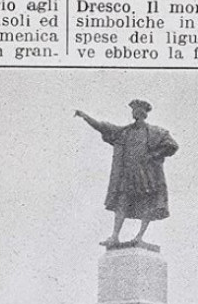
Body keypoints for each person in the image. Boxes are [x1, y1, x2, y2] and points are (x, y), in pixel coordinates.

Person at [75, 99, 178, 246]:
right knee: (121, 203)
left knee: (147, 204)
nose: (134, 113)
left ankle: (139, 237)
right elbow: (103, 127)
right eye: (133, 110)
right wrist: (86, 117)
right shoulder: (124, 132)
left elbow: (172, 145)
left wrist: (153, 156)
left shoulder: (156, 132)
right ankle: (114, 236)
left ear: (143, 113)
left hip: (146, 174)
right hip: (127, 174)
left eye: (137, 110)